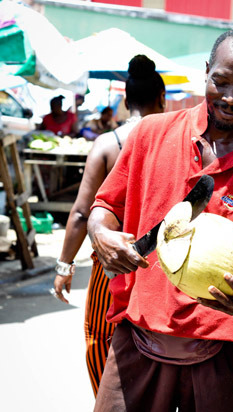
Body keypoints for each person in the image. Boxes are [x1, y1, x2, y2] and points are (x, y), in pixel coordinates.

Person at [87, 28, 233, 411]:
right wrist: (100, 232)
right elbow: (104, 207)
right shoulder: (149, 135)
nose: (231, 98)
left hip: (219, 352)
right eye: (221, 82)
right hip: (137, 337)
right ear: (206, 72)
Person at [52, 54, 167, 396]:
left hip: (111, 262)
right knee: (161, 338)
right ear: (161, 98)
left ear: (126, 100)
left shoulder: (107, 144)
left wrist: (64, 265)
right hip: (163, 260)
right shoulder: (172, 143)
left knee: (102, 335)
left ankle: (112, 402)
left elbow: (81, 214)